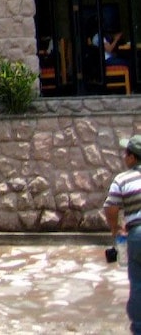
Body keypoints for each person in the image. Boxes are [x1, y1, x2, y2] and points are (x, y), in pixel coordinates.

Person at [103, 134, 141, 334]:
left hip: (137, 235)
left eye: (126, 153)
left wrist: (115, 229)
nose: (124, 156)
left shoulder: (123, 179)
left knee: (138, 283)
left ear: (133, 158)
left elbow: (110, 207)